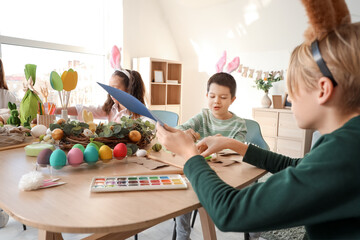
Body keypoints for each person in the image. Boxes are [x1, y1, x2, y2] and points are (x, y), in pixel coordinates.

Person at [156, 15, 360, 240]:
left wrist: (190, 155)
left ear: (323, 89)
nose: (289, 95)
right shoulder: (346, 140)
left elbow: (230, 212)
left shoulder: (346, 151)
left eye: (292, 85)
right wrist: (232, 144)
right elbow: (296, 166)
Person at [175, 72, 247, 240]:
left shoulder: (238, 124)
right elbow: (179, 128)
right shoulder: (203, 116)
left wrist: (224, 144)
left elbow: (238, 150)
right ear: (207, 96)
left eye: (223, 97)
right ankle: (182, 235)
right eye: (212, 96)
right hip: (202, 170)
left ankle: (253, 236)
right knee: (184, 192)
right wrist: (185, 132)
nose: (216, 101)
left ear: (232, 100)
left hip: (227, 175)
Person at [57, 69, 147, 122]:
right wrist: (57, 110)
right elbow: (85, 109)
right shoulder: (111, 108)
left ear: (129, 89)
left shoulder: (140, 115)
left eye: (115, 88)